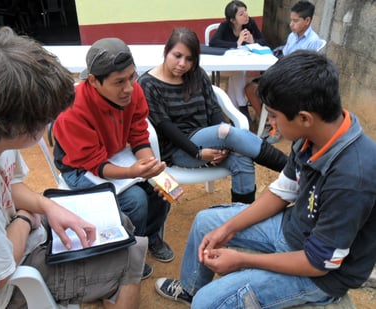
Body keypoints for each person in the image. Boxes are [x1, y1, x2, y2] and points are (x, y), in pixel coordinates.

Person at [154, 50, 376, 308]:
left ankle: (200, 296)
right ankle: (191, 289)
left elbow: (318, 264)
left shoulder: (353, 178)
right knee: (207, 222)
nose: (271, 124)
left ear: (304, 118)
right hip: (293, 229)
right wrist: (227, 228)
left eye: (273, 116)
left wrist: (241, 259)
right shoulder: (312, 135)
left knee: (207, 303)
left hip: (321, 276)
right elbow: (282, 192)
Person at [0, 27, 148, 309]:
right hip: (4, 289)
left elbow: (11, 186)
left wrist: (46, 207)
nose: (50, 125)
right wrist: (26, 216)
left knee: (119, 225)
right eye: (44, 119)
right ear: (12, 123)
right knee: (132, 253)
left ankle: (97, 289)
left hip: (18, 235)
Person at [52, 37, 174, 278]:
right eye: (119, 82)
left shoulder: (131, 91)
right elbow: (94, 163)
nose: (129, 88)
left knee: (162, 187)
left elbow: (139, 132)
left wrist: (152, 168)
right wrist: (134, 173)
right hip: (78, 168)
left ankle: (149, 237)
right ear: (94, 81)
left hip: (113, 155)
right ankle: (128, 252)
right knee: (136, 199)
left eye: (132, 77)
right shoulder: (72, 111)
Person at [138, 28, 287, 204]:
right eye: (177, 56)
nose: (182, 64)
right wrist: (199, 153)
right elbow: (165, 127)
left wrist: (224, 147)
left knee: (242, 160)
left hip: (210, 141)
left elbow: (214, 109)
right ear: (166, 51)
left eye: (189, 59)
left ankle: (242, 219)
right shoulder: (148, 84)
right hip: (179, 151)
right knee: (226, 131)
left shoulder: (197, 75)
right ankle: (291, 167)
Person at [245, 0, 323, 144]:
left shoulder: (313, 41)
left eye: (295, 21)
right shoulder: (292, 36)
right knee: (250, 88)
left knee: (274, 94)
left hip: (297, 81)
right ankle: (269, 122)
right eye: (291, 20)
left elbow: (307, 69)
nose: (291, 24)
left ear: (307, 21)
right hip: (282, 75)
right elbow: (284, 57)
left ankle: (277, 128)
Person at [209, 0, 267, 123]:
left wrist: (253, 41)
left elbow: (263, 41)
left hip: (238, 68)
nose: (246, 15)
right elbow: (213, 42)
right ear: (232, 19)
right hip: (223, 68)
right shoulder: (225, 26)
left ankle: (236, 117)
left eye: (246, 11)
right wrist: (237, 43)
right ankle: (242, 106)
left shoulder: (250, 23)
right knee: (237, 73)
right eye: (241, 14)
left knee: (237, 74)